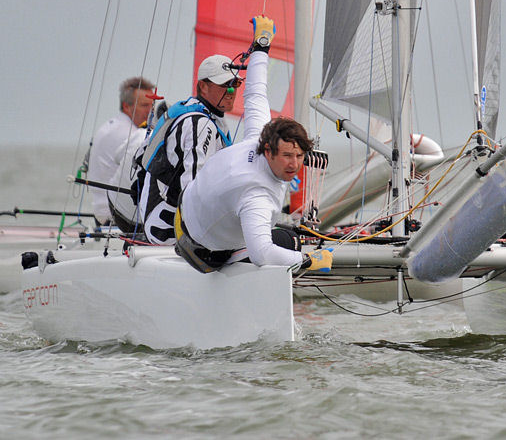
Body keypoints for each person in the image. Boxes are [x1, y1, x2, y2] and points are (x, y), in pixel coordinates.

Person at [174, 16, 332, 273]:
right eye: (287, 156)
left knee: (273, 229)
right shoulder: (256, 194)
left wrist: (261, 46)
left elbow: (256, 92)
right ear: (268, 151)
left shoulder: (261, 134)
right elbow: (261, 253)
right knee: (289, 241)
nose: (294, 164)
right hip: (197, 248)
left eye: (299, 155)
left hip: (186, 209)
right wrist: (308, 261)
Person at [136, 54, 240, 244]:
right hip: (167, 229)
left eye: (235, 84)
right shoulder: (199, 124)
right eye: (224, 84)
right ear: (203, 86)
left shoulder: (196, 112)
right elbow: (193, 189)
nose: (231, 90)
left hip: (163, 218)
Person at [87, 77, 155, 225]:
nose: (151, 112)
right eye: (144, 105)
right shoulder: (128, 133)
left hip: (103, 212)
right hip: (114, 218)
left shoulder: (111, 126)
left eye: (152, 105)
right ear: (126, 106)